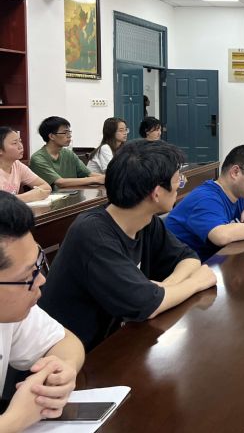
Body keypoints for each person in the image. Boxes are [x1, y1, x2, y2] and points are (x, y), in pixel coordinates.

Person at [39, 140, 216, 351]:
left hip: (117, 338)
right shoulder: (93, 234)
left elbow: (188, 258)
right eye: (179, 180)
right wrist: (196, 283)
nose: (180, 186)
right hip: (73, 355)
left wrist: (166, 287)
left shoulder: (146, 221)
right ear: (157, 193)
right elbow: (146, 305)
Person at [0, 192, 85, 430]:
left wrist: (63, 369)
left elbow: (65, 341)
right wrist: (15, 419)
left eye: (38, 265)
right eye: (27, 276)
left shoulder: (11, 312)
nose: (41, 281)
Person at [166, 145, 244, 262]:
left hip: (210, 264)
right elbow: (221, 235)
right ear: (235, 172)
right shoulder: (206, 198)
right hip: (178, 272)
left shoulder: (239, 194)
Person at [28, 116, 104, 189]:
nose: (69, 136)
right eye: (65, 133)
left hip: (74, 195)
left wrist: (106, 178)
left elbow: (89, 174)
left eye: (69, 132)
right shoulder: (38, 158)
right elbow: (60, 182)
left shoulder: (69, 154)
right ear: (51, 136)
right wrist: (96, 180)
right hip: (52, 197)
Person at [0, 127, 51, 202]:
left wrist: (18, 199)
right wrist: (29, 196)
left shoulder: (17, 165)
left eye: (20, 141)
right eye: (14, 143)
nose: (21, 146)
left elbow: (46, 187)